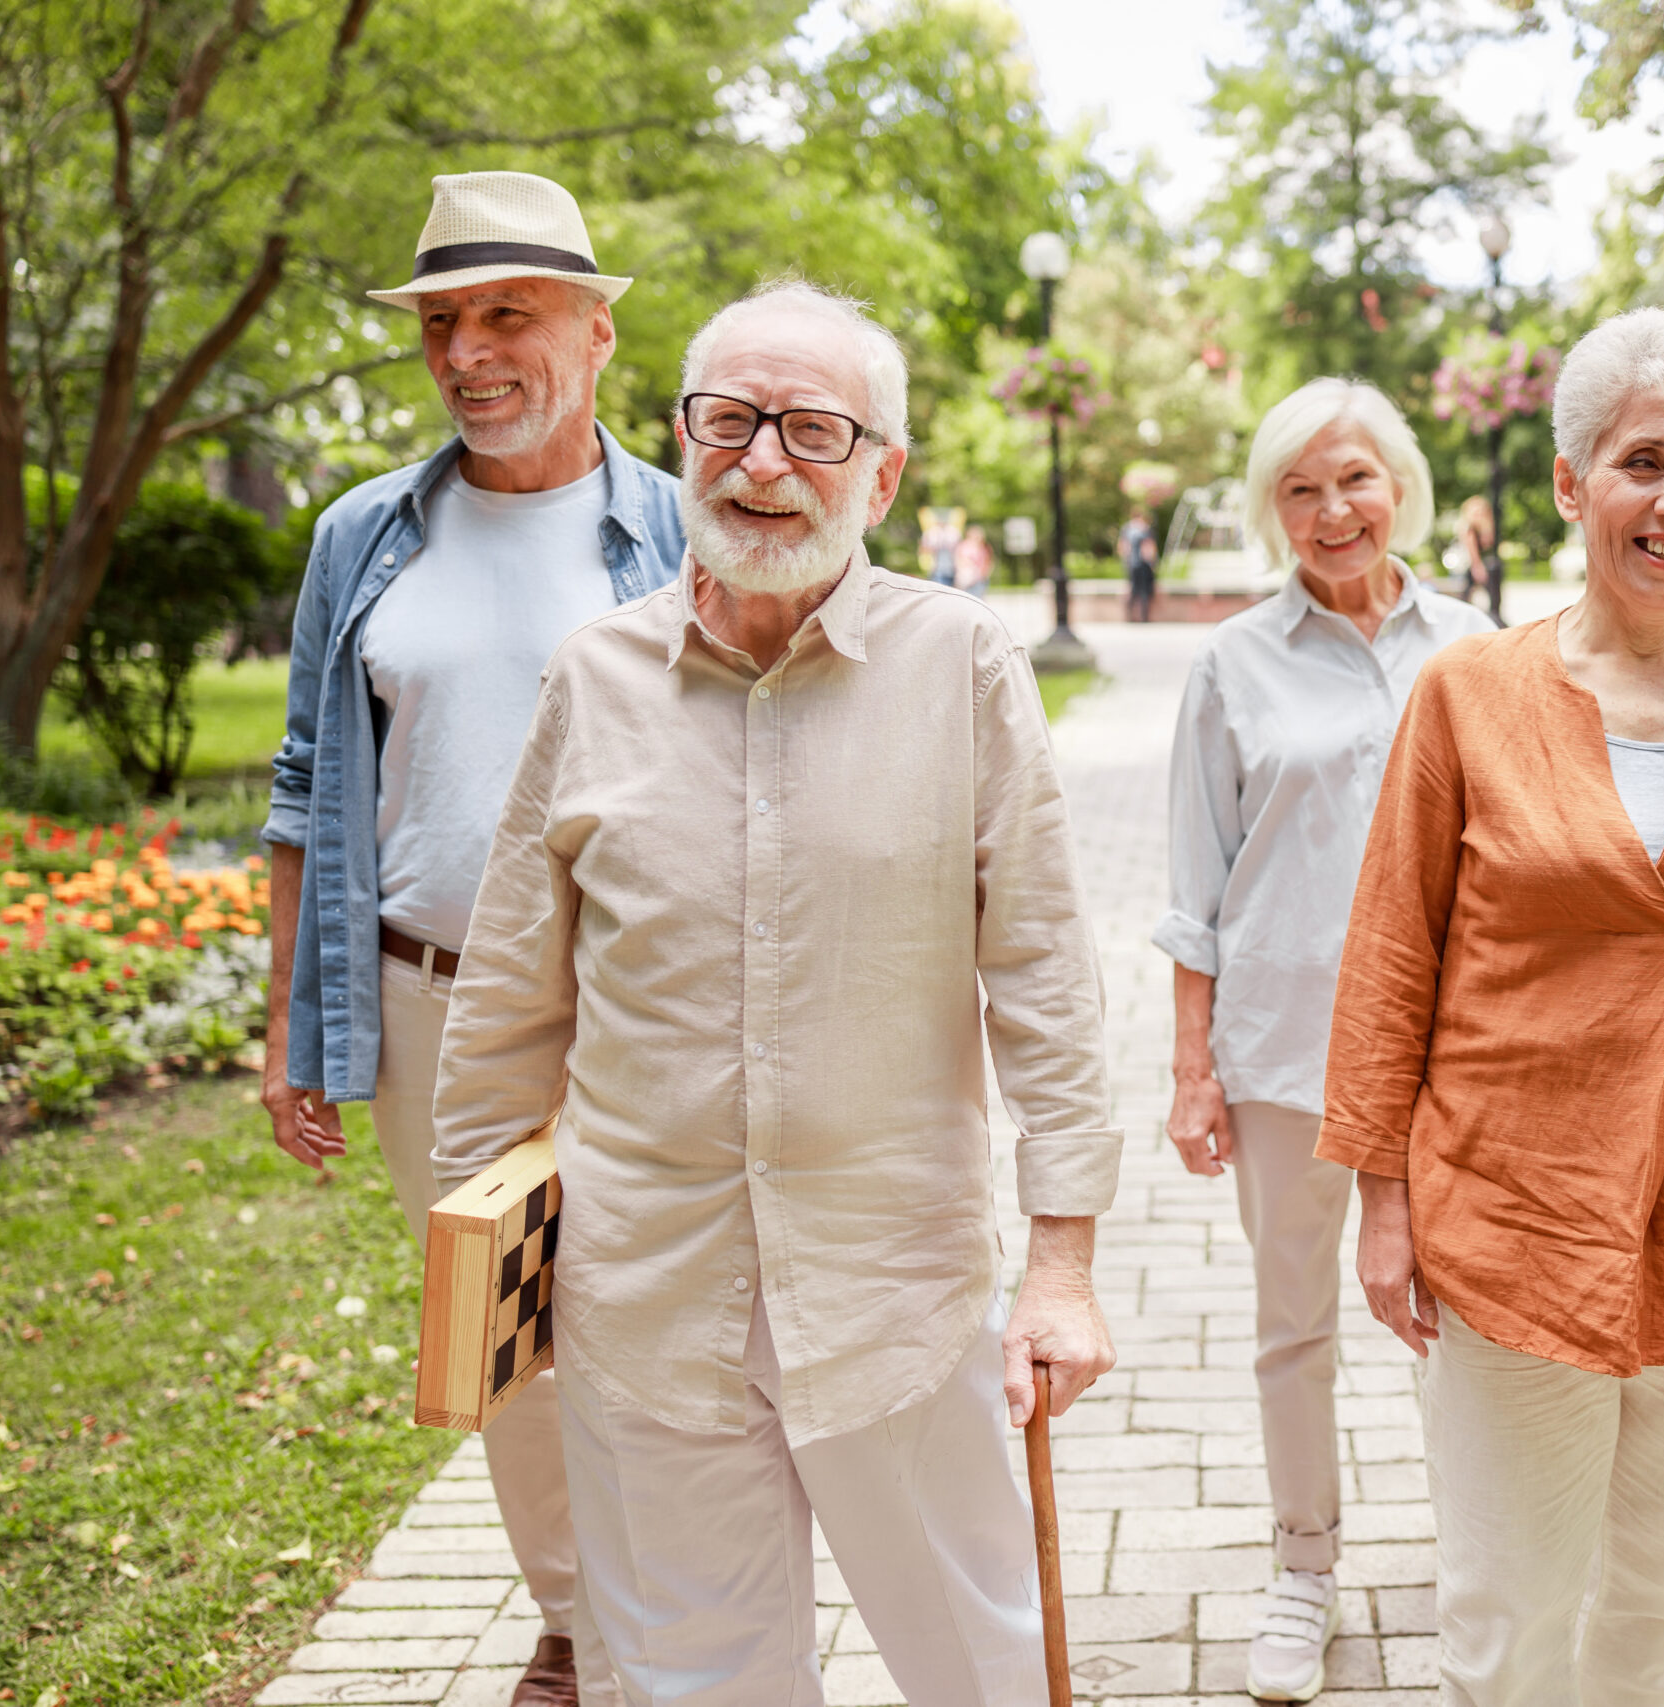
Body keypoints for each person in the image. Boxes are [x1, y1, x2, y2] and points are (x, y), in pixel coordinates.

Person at [429, 280, 1121, 1707]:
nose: (761, 461)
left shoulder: (965, 665)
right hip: (646, 1300)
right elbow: (507, 1000)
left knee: (981, 1667)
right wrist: (476, 1267)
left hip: (896, 1299)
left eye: (812, 426)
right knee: (699, 1684)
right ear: (680, 435)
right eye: (729, 419)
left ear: (885, 468)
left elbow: (1046, 976)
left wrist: (1059, 1261)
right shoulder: (594, 677)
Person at [1316, 307, 1664, 1706]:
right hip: (1513, 1207)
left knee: (1663, 1594)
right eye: (1643, 460)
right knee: (1512, 1607)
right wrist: (1381, 1196)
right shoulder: (1466, 693)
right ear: (1573, 484)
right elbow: (1393, 949)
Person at [263, 169, 681, 1707]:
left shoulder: (686, 530)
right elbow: (308, 790)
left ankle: (675, 1605)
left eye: (509, 312)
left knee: (666, 1318)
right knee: (504, 1333)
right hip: (433, 1001)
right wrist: (289, 1023)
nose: (469, 351)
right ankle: (574, 1617)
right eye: (444, 320)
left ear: (596, 329)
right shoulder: (361, 537)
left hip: (648, 1005)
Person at [1156, 378, 1495, 1702]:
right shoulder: (1231, 661)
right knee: (1293, 1322)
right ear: (1271, 509)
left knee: (1459, 1319)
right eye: (1299, 488)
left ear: (1396, 483)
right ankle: (1303, 1568)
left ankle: (1479, 1558)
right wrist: (1194, 1068)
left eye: (1351, 478)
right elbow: (1196, 886)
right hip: (1285, 1047)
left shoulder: (1474, 648)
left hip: (1454, 1056)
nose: (1331, 510)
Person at [1453, 494, 1497, 610]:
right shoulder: (1469, 528)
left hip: (1473, 564)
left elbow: (1489, 543)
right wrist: (1477, 567)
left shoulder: (1482, 527)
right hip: (1468, 565)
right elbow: (1472, 550)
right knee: (1466, 594)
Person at [1123, 506, 1160, 621]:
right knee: (1144, 591)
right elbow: (1148, 547)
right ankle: (1144, 617)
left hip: (1132, 563)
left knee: (1133, 589)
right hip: (1143, 564)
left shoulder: (1127, 528)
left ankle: (1130, 615)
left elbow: (1124, 547)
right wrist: (1153, 563)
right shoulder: (1144, 529)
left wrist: (1126, 562)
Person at [954, 522, 995, 596]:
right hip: (967, 578)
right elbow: (959, 560)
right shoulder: (964, 546)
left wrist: (986, 573)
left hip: (980, 578)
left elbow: (989, 561)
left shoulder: (985, 546)